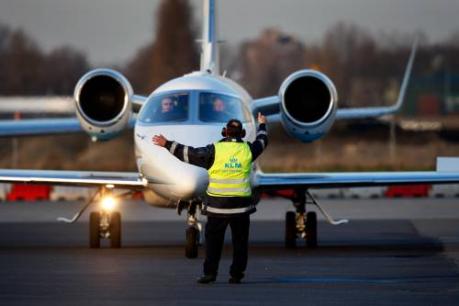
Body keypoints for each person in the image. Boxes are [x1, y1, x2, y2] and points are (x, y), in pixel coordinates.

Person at [152, 113, 268, 284]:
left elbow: (188, 153)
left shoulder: (214, 150)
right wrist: (262, 125)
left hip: (218, 208)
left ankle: (210, 274)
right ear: (242, 134)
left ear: (225, 132)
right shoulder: (248, 150)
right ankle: (236, 275)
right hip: (241, 208)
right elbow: (263, 141)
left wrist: (167, 144)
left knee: (213, 244)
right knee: (240, 244)